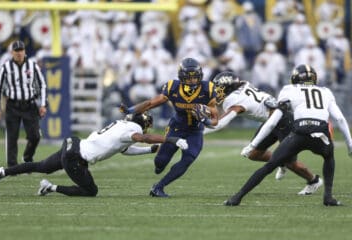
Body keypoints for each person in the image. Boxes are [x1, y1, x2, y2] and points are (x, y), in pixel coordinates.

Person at [224, 64, 352, 206]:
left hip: (300, 133)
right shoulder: (326, 91)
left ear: (295, 78)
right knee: (328, 157)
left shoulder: (288, 90)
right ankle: (328, 197)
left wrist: (253, 145)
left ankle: (237, 198)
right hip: (321, 134)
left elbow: (272, 123)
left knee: (269, 166)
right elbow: (340, 119)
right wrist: (350, 144)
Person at [0, 113, 189, 196]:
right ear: (143, 124)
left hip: (73, 144)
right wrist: (170, 140)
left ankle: (1, 172)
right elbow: (142, 138)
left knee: (39, 166)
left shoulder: (121, 125)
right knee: (91, 191)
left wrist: (150, 151)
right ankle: (50, 187)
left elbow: (125, 150)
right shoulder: (133, 130)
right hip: (76, 158)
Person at [205, 71, 322, 195]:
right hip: (271, 121)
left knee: (291, 163)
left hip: (284, 121)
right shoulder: (244, 84)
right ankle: (280, 161)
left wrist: (201, 131)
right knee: (254, 154)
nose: (217, 91)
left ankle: (314, 180)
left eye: (220, 88)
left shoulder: (235, 100)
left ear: (229, 87)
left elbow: (222, 123)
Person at [120, 57, 219, 197]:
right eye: (189, 78)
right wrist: (131, 110)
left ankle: (159, 187)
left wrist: (205, 121)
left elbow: (215, 118)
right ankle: (159, 166)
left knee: (188, 159)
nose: (193, 81)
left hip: (195, 131)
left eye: (195, 77)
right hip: (176, 128)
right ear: (182, 77)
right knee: (160, 162)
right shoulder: (173, 86)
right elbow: (151, 103)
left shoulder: (207, 88)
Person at [0, 40, 48, 167]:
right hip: (13, 105)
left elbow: (42, 85)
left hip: (30, 105)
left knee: (35, 136)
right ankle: (12, 166)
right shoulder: (6, 67)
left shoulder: (33, 66)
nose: (19, 53)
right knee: (12, 137)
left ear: (25, 51)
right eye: (16, 51)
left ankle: (27, 157)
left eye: (21, 50)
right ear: (12, 52)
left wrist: (43, 104)